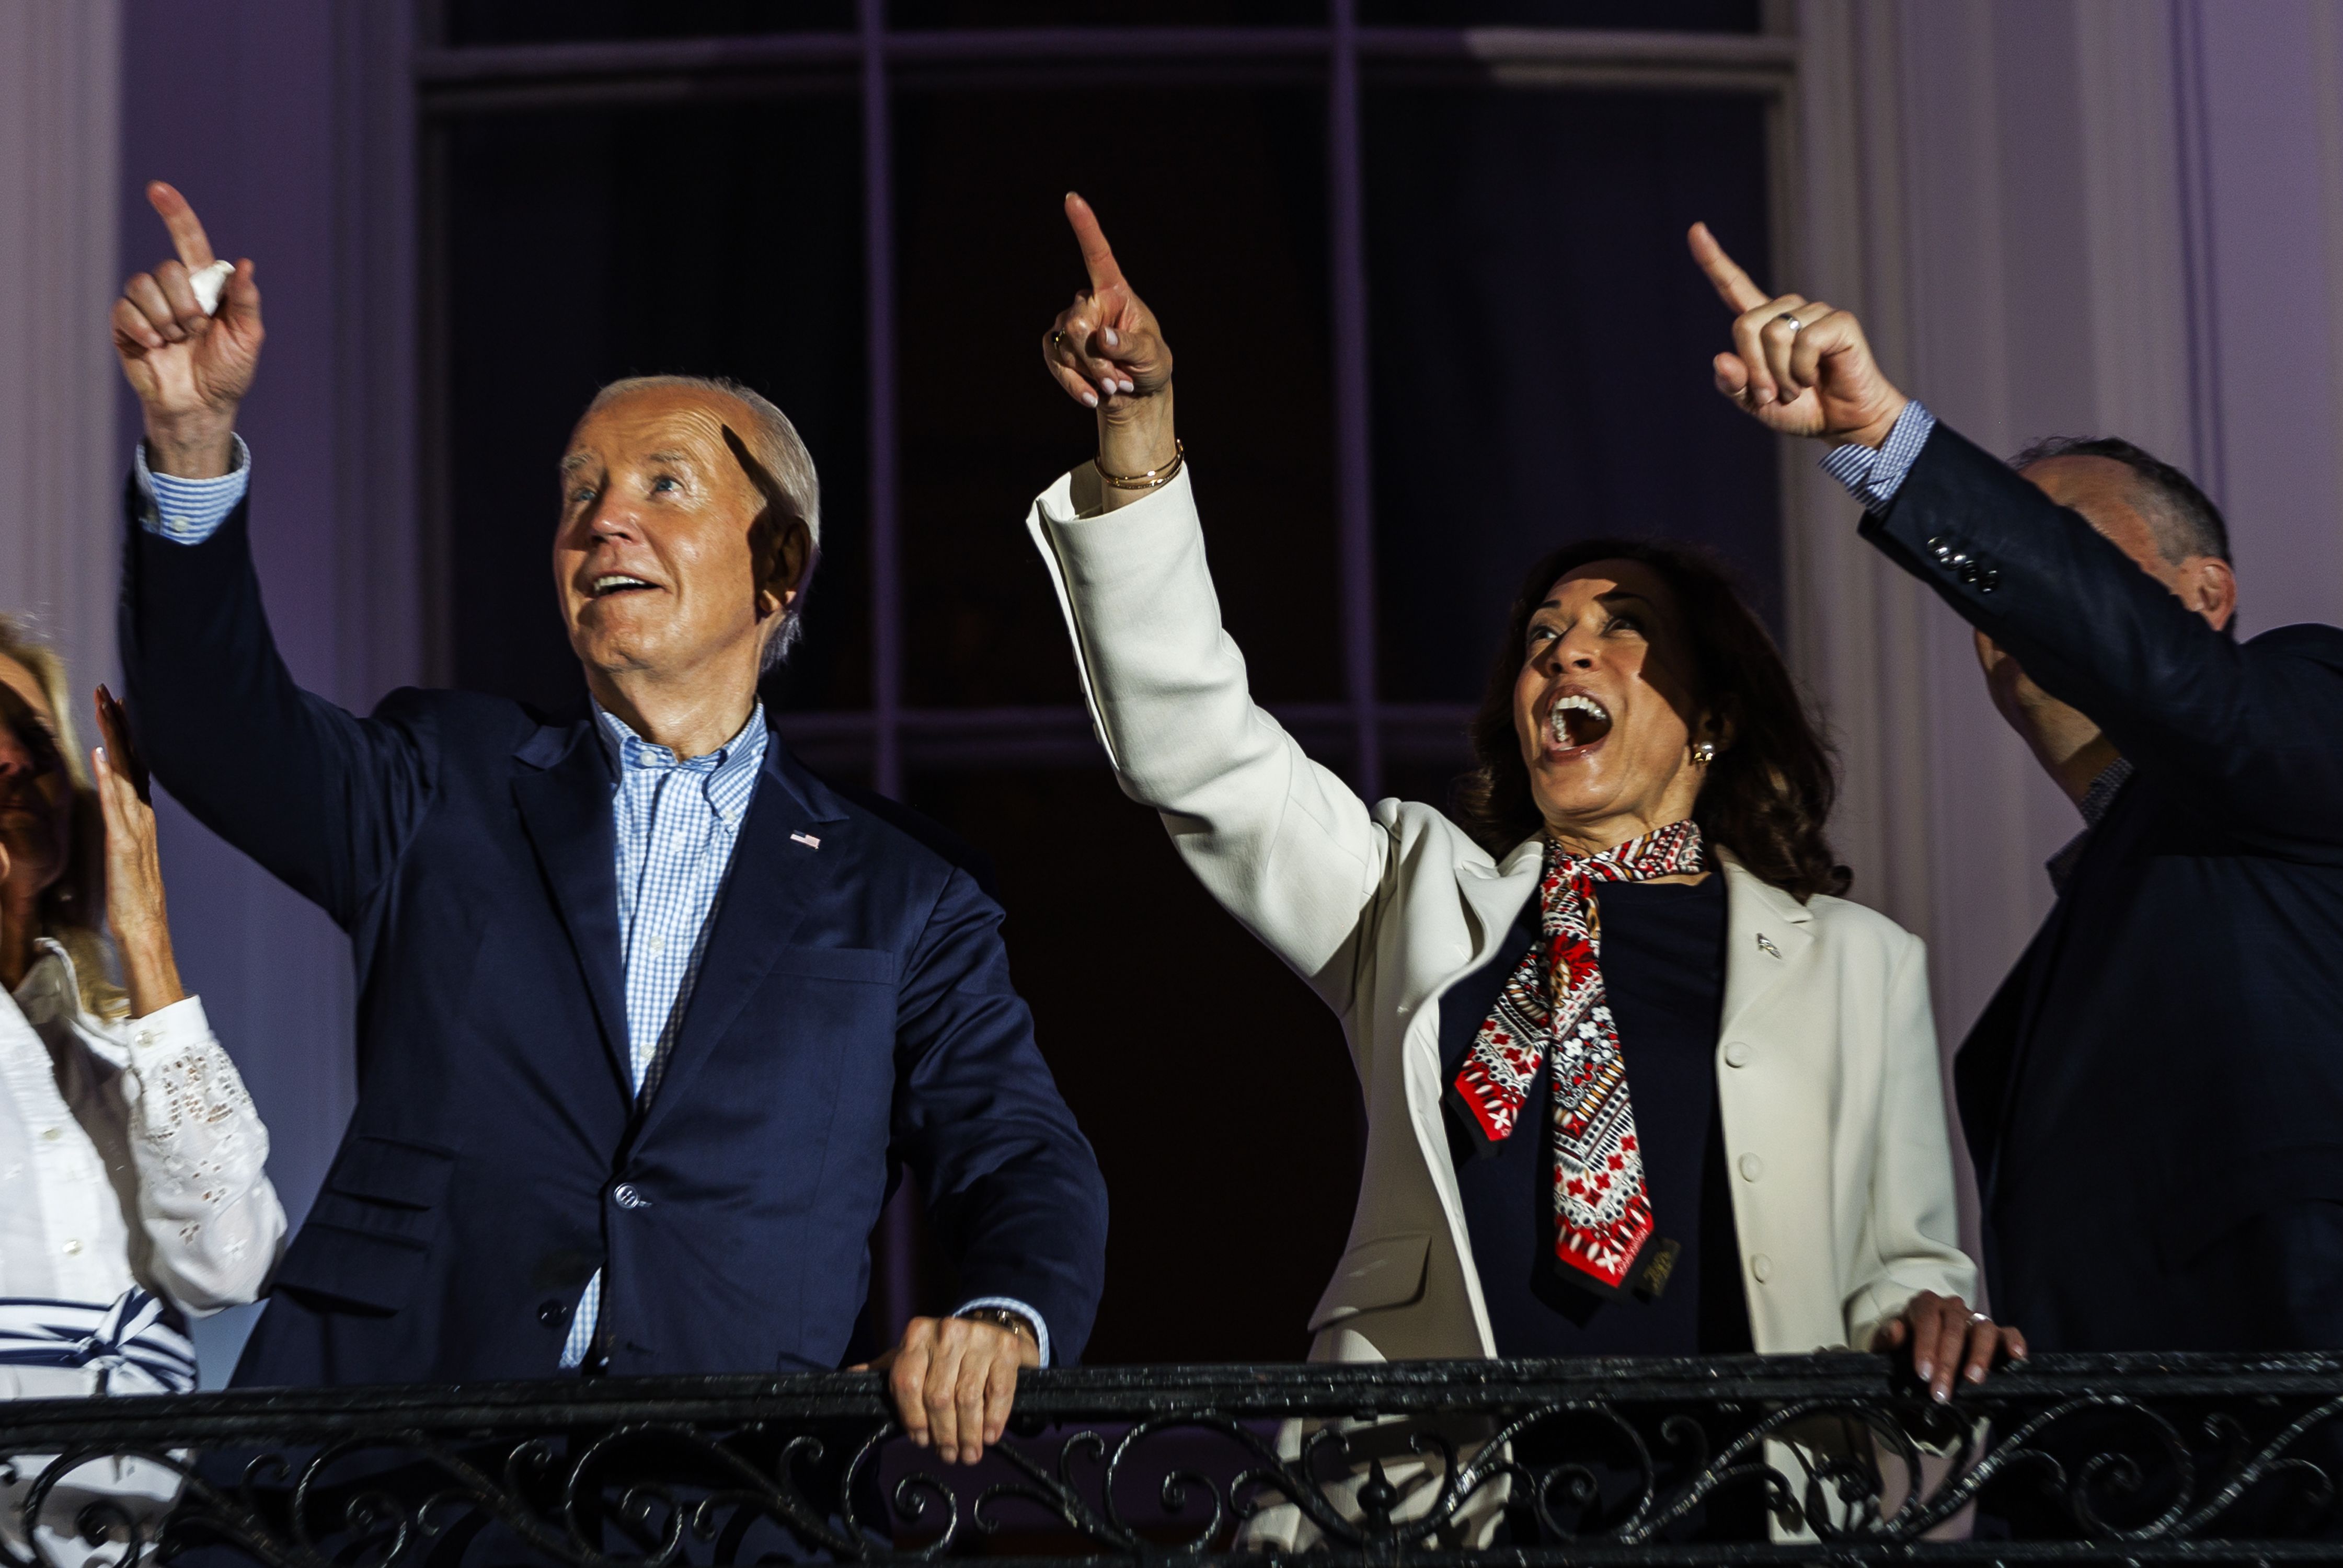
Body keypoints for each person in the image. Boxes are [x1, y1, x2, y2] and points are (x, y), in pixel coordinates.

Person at [1023, 195, 2021, 1541]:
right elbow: (1197, 748)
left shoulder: (1858, 963)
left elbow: (1903, 1266)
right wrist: (1139, 442)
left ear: (1709, 721)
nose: (1568, 652)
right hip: (1442, 1506)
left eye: (1624, 633)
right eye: (1547, 634)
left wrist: (1926, 1319)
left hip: (1737, 1506)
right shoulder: (1413, 893)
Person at [110, 181, 1107, 1461]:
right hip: (387, 1481)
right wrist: (191, 442)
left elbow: (1021, 1155)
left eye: (663, 482)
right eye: (579, 490)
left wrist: (1002, 1318)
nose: (602, 519)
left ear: (780, 566)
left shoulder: (904, 895)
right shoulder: (445, 774)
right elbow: (216, 732)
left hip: (721, 1498)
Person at [1688, 223, 2343, 1353]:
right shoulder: (2015, 1027)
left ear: (2203, 597)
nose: (2004, 598)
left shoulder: (2307, 699)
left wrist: (1888, 444)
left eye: (2061, 545)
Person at [0, 627, 284, 1557]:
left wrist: (146, 939)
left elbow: (231, 1264)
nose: (6, 762)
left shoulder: (127, 1050)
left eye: (32, 743)